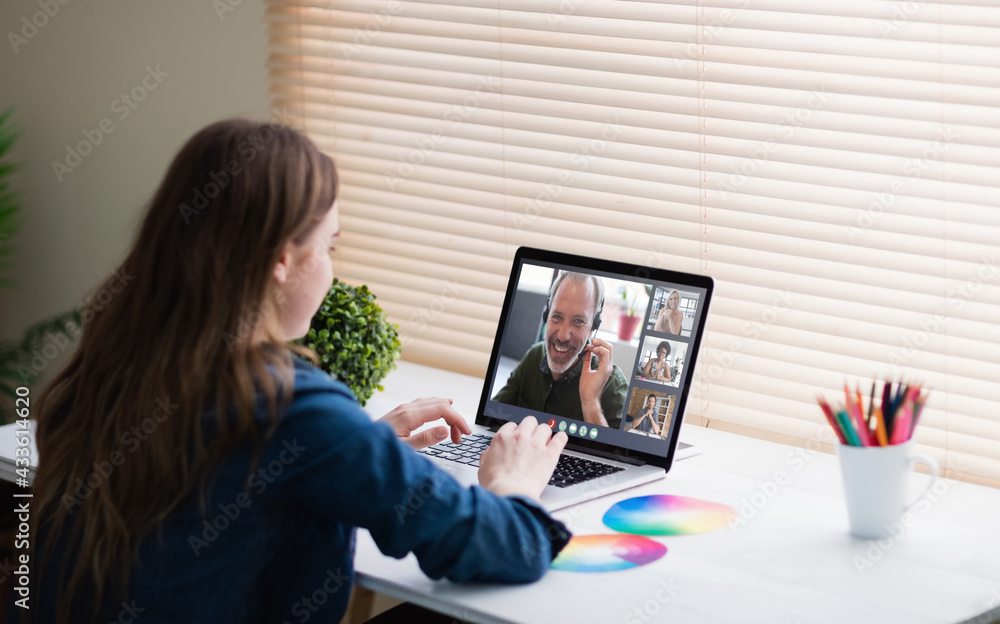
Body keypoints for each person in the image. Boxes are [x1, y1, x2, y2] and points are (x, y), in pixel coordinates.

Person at [22, 119, 571, 624]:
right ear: (282, 260)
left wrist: (358, 447)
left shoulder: (113, 363)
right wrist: (514, 482)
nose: (332, 268)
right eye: (329, 246)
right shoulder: (286, 403)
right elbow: (508, 547)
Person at [492, 271, 628, 429]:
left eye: (578, 321)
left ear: (593, 327)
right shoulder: (534, 355)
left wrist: (590, 402)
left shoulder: (614, 385)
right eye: (557, 316)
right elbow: (492, 416)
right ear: (547, 315)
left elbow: (612, 453)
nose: (563, 336)